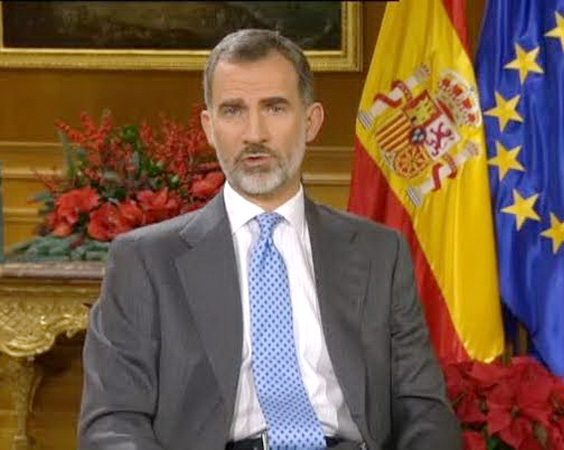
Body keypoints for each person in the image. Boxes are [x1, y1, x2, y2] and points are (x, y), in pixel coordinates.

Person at [78, 29, 462, 450]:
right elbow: (112, 423)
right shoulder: (145, 261)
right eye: (233, 111)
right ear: (209, 127)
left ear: (311, 121)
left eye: (275, 108)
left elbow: (424, 410)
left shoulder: (379, 252)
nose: (254, 133)